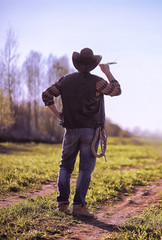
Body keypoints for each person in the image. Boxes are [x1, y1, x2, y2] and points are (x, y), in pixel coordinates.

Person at [42, 48, 121, 217]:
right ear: (93, 66)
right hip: (91, 132)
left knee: (65, 167)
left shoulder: (66, 80)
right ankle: (79, 207)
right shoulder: (98, 81)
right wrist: (108, 72)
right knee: (85, 169)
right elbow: (116, 91)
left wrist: (59, 115)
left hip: (70, 129)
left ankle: (62, 204)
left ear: (77, 64)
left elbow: (47, 95)